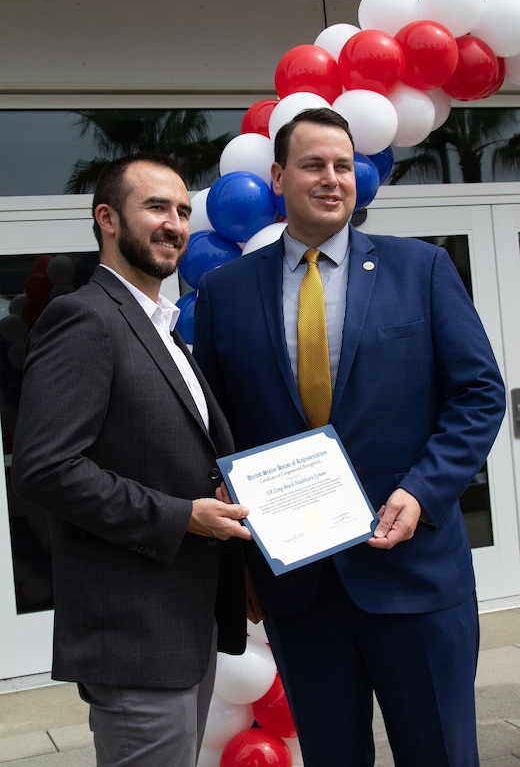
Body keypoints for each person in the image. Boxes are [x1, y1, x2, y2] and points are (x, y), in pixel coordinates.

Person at [193, 109, 506, 766]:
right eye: (313, 165)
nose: (331, 179)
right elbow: (216, 428)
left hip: (414, 573)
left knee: (442, 754)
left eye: (342, 166)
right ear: (279, 177)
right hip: (300, 588)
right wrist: (239, 557)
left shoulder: (419, 270)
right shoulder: (224, 293)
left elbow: (479, 395)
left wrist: (422, 490)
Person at [11, 152, 251, 767]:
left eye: (182, 211)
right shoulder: (84, 318)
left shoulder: (163, 328)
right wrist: (180, 517)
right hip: (136, 637)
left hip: (186, 630)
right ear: (107, 219)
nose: (174, 223)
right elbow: (44, 467)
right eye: (155, 207)